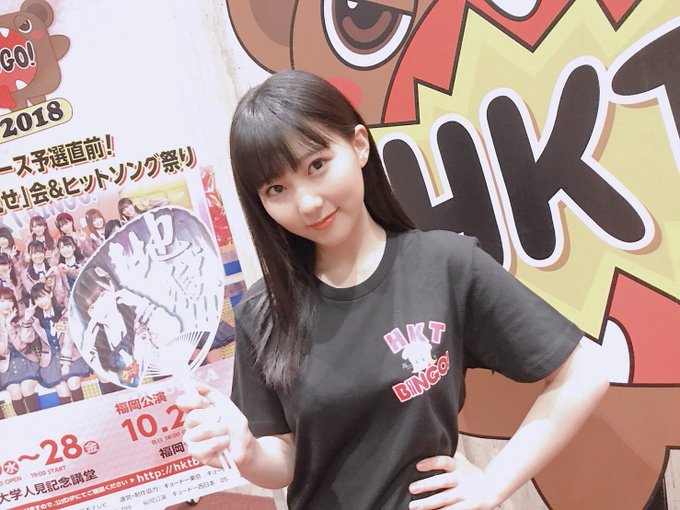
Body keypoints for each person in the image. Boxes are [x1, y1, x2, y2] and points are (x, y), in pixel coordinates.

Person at [178, 71, 608, 510]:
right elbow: (285, 460)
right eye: (277, 189)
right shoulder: (263, 311)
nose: (307, 203)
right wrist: (247, 451)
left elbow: (585, 369)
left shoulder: (445, 265)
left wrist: (493, 485)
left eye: (317, 165)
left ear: (359, 145)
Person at [31, 283, 90, 405]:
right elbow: (26, 338)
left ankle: (83, 412)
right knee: (63, 391)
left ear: (50, 294)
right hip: (50, 361)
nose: (41, 301)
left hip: (69, 355)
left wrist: (65, 363)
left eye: (43, 296)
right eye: (37, 299)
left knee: (73, 382)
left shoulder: (64, 313)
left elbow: (68, 339)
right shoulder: (35, 319)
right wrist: (27, 319)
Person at [0, 287, 49, 416]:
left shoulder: (21, 319)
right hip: (7, 367)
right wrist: (4, 326)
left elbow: (21, 345)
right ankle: (23, 424)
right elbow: (2, 351)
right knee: (15, 391)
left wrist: (10, 325)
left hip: (27, 362)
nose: (7, 305)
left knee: (26, 388)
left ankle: (38, 421)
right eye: (2, 301)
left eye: (9, 301)